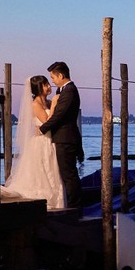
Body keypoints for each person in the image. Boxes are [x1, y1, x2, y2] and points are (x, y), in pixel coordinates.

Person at [0, 75, 66, 210]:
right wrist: (54, 104)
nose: (49, 86)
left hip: (50, 141)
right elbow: (47, 121)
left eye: (48, 83)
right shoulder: (35, 104)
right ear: (38, 88)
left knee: (54, 172)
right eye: (46, 84)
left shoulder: (47, 103)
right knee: (42, 173)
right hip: (40, 142)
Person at [40, 61, 83, 209]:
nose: (52, 81)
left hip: (66, 138)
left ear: (61, 75)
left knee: (68, 175)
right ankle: (72, 205)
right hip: (63, 137)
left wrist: (41, 129)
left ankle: (74, 207)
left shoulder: (69, 91)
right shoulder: (64, 91)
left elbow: (59, 115)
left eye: (53, 77)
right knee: (67, 174)